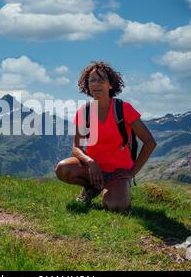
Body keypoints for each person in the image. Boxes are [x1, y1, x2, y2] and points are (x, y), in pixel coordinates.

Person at [55, 61, 157, 213]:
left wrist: (132, 172)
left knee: (115, 207)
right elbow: (76, 148)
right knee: (62, 169)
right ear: (87, 86)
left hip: (119, 171)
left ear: (111, 85)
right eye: (92, 80)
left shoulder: (123, 109)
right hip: (93, 169)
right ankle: (91, 188)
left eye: (101, 79)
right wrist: (91, 162)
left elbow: (150, 142)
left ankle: (114, 188)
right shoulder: (85, 111)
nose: (96, 84)